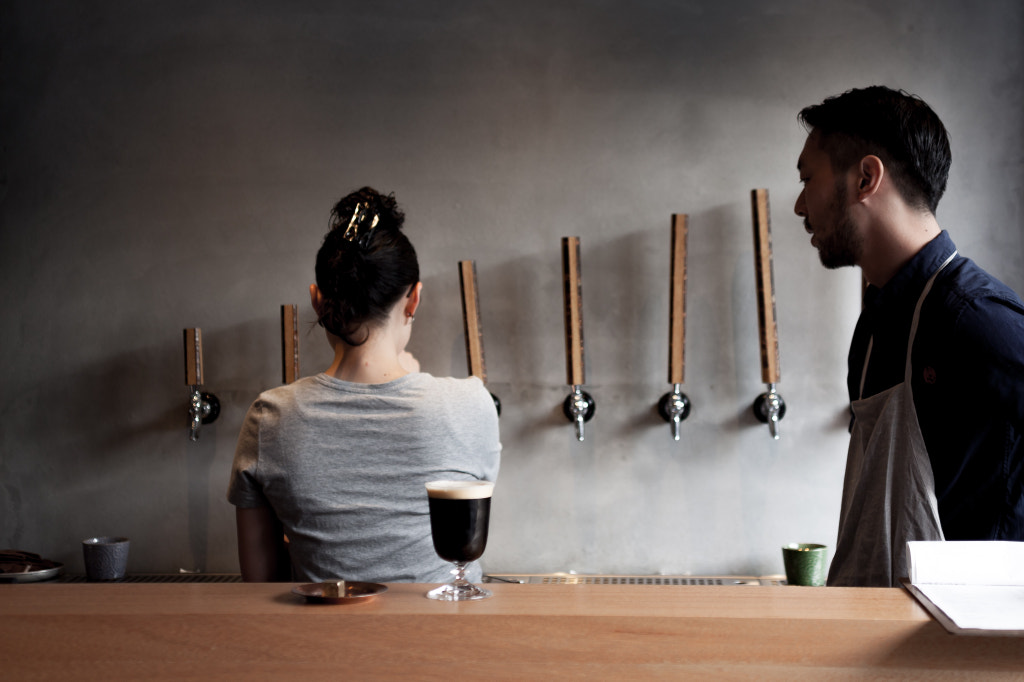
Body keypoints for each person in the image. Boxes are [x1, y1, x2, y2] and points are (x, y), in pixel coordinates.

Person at [793, 86, 1024, 587]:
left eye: (808, 178)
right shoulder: (872, 328)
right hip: (877, 635)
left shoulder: (976, 319)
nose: (798, 204)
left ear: (865, 178)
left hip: (970, 651)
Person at [227, 187, 501, 583]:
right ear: (414, 300)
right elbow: (463, 531)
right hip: (447, 641)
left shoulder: (271, 417)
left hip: (318, 643)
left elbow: (261, 586)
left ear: (318, 301)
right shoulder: (471, 404)